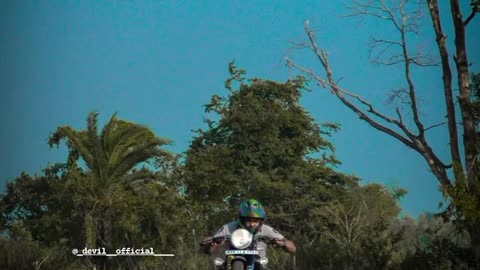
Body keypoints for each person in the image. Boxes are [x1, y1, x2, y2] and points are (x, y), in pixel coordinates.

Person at [201, 199, 296, 268]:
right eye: (248, 220)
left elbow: (293, 249)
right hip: (229, 263)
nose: (252, 224)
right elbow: (208, 251)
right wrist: (211, 244)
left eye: (255, 221)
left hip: (259, 264)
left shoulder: (266, 229)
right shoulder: (229, 227)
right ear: (242, 219)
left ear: (261, 221)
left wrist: (284, 243)